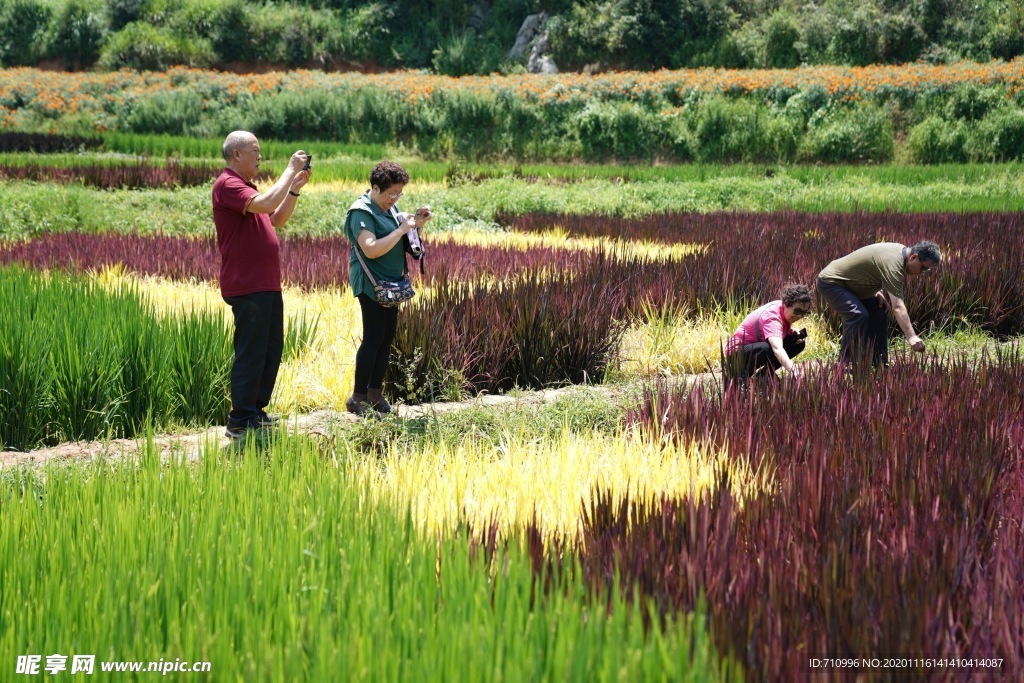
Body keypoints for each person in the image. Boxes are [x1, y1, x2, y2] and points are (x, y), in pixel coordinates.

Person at [212, 131, 310, 439]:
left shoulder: (246, 188)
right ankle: (240, 418)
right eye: (255, 151)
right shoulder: (228, 184)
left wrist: (292, 190)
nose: (260, 156)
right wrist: (291, 168)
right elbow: (267, 202)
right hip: (247, 283)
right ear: (237, 154)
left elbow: (276, 217)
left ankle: (255, 410)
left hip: (265, 283)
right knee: (251, 351)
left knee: (270, 349)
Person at [344, 161, 432, 415]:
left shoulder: (391, 209)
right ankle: (357, 397)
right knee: (373, 337)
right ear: (375, 188)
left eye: (399, 193)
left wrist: (415, 225)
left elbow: (400, 242)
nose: (394, 198)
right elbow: (371, 249)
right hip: (371, 282)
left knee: (386, 338)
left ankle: (375, 393)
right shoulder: (361, 212)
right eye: (390, 193)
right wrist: (402, 228)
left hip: (392, 283)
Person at [817, 241, 941, 369]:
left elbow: (873, 265)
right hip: (832, 282)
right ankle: (843, 365)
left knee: (879, 312)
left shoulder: (901, 253)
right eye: (923, 268)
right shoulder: (895, 265)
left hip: (852, 285)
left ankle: (879, 363)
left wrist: (877, 290)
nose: (922, 272)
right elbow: (897, 307)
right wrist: (912, 336)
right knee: (857, 315)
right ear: (913, 257)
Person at [724, 284, 814, 381]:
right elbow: (777, 349)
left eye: (804, 313)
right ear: (787, 303)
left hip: (754, 348)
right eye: (797, 311)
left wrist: (791, 332)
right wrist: (795, 372)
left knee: (796, 342)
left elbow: (777, 331)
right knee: (768, 348)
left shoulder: (782, 309)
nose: (800, 316)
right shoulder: (773, 317)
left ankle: (764, 375)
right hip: (737, 355)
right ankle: (741, 377)